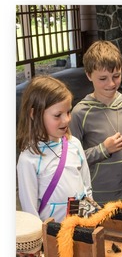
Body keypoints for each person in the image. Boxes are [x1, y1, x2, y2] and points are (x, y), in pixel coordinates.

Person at [71, 40, 122, 214]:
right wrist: (103, 149)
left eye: (116, 76)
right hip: (91, 198)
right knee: (93, 241)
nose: (111, 84)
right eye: (103, 78)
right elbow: (72, 160)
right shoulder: (79, 113)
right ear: (89, 75)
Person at [17, 76, 93, 223]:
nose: (66, 120)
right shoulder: (28, 160)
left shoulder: (74, 144)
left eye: (68, 112)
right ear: (34, 114)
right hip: (53, 238)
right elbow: (30, 213)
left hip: (83, 228)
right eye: (58, 115)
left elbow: (86, 187)